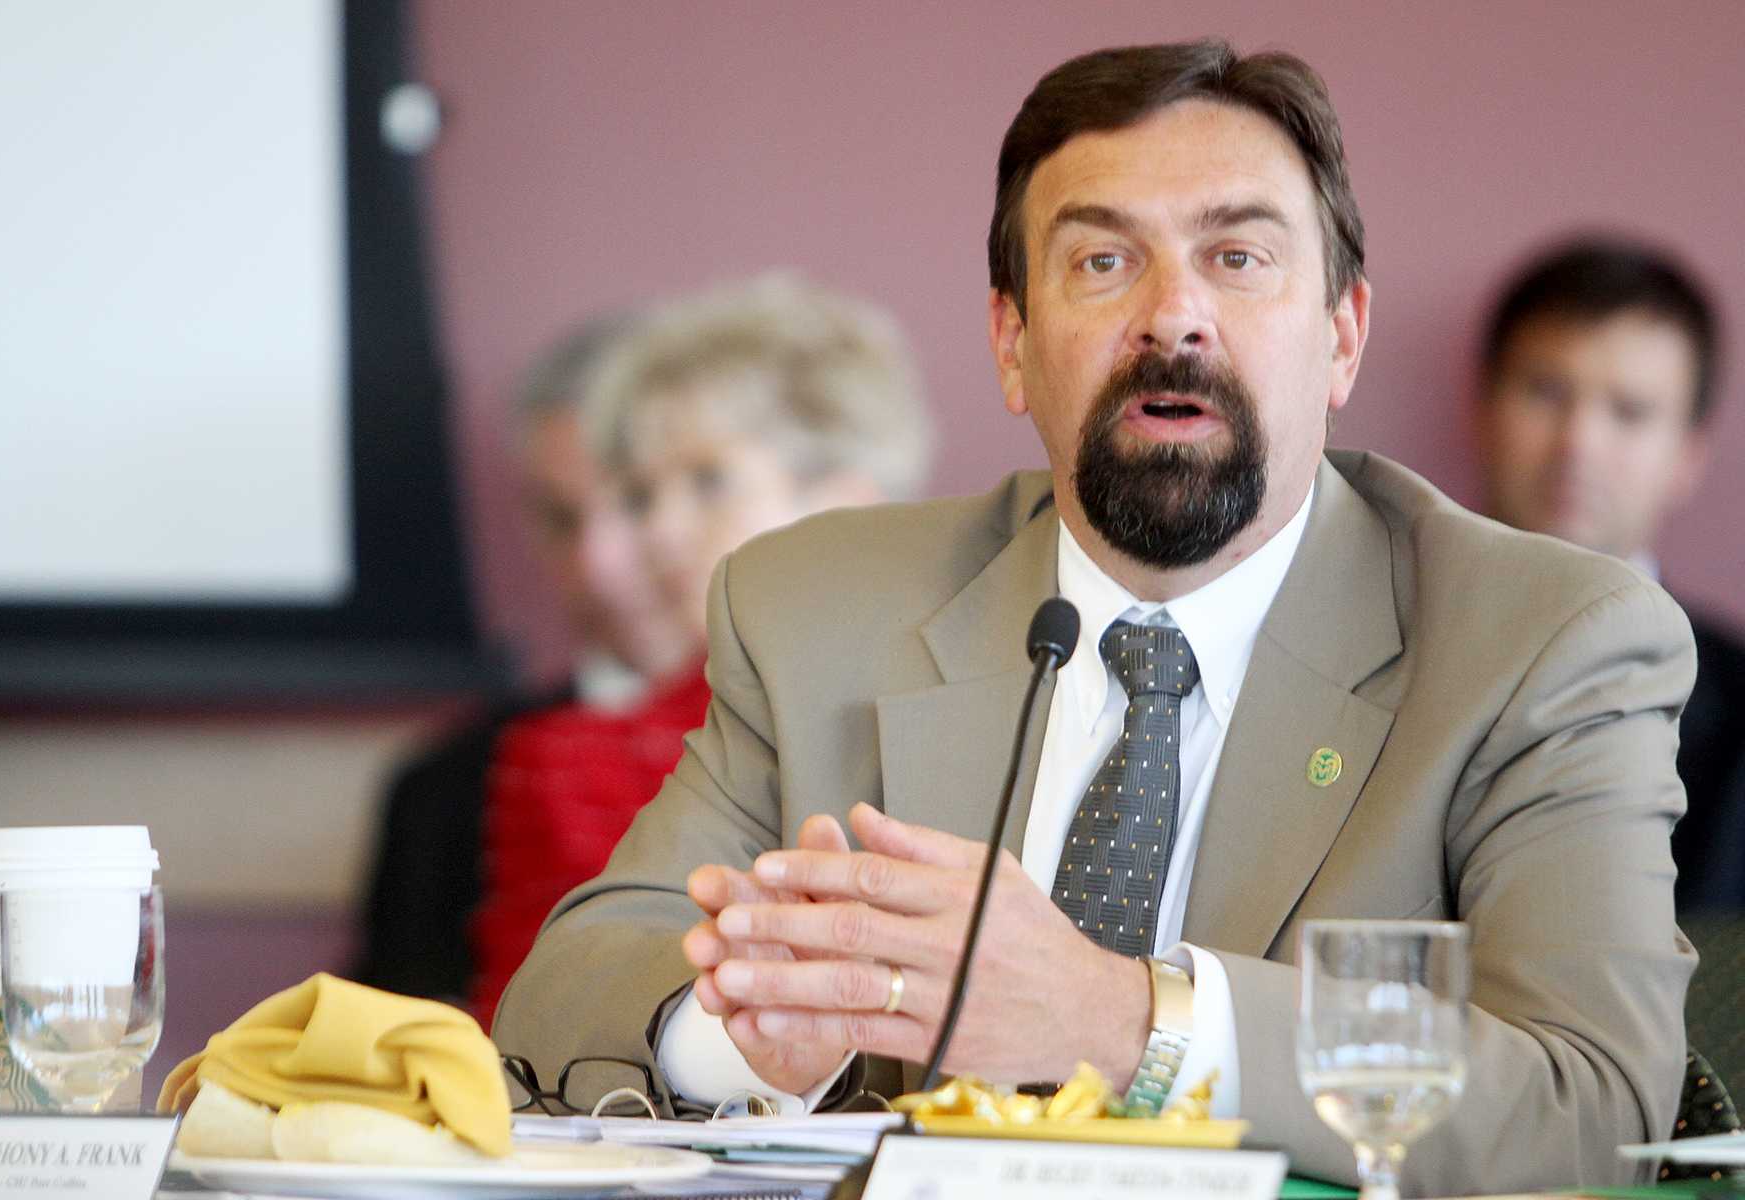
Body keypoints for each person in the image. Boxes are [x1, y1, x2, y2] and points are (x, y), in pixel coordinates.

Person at [493, 41, 1695, 1193]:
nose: (1174, 316)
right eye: (1103, 263)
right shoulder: (816, 608)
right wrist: (745, 1032)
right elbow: (565, 999)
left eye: (1237, 258)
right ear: (1013, 344)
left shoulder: (1544, 642)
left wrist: (1125, 1022)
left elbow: (1590, 1101)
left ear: (1341, 336)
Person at [468, 273, 934, 1025]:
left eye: (708, 481)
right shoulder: (562, 762)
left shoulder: (988, 710)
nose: (659, 530)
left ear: (849, 498)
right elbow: (532, 1045)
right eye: (645, 494)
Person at [355, 313, 697, 1004]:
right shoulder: (446, 786)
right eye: (561, 517)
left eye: (637, 503)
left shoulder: (838, 747)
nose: (598, 564)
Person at [1474, 238, 1745, 913]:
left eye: (1629, 411)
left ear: (1688, 453)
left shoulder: (1739, 710)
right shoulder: (1367, 648)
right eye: (1545, 392)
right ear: (1483, 409)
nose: (1579, 445)